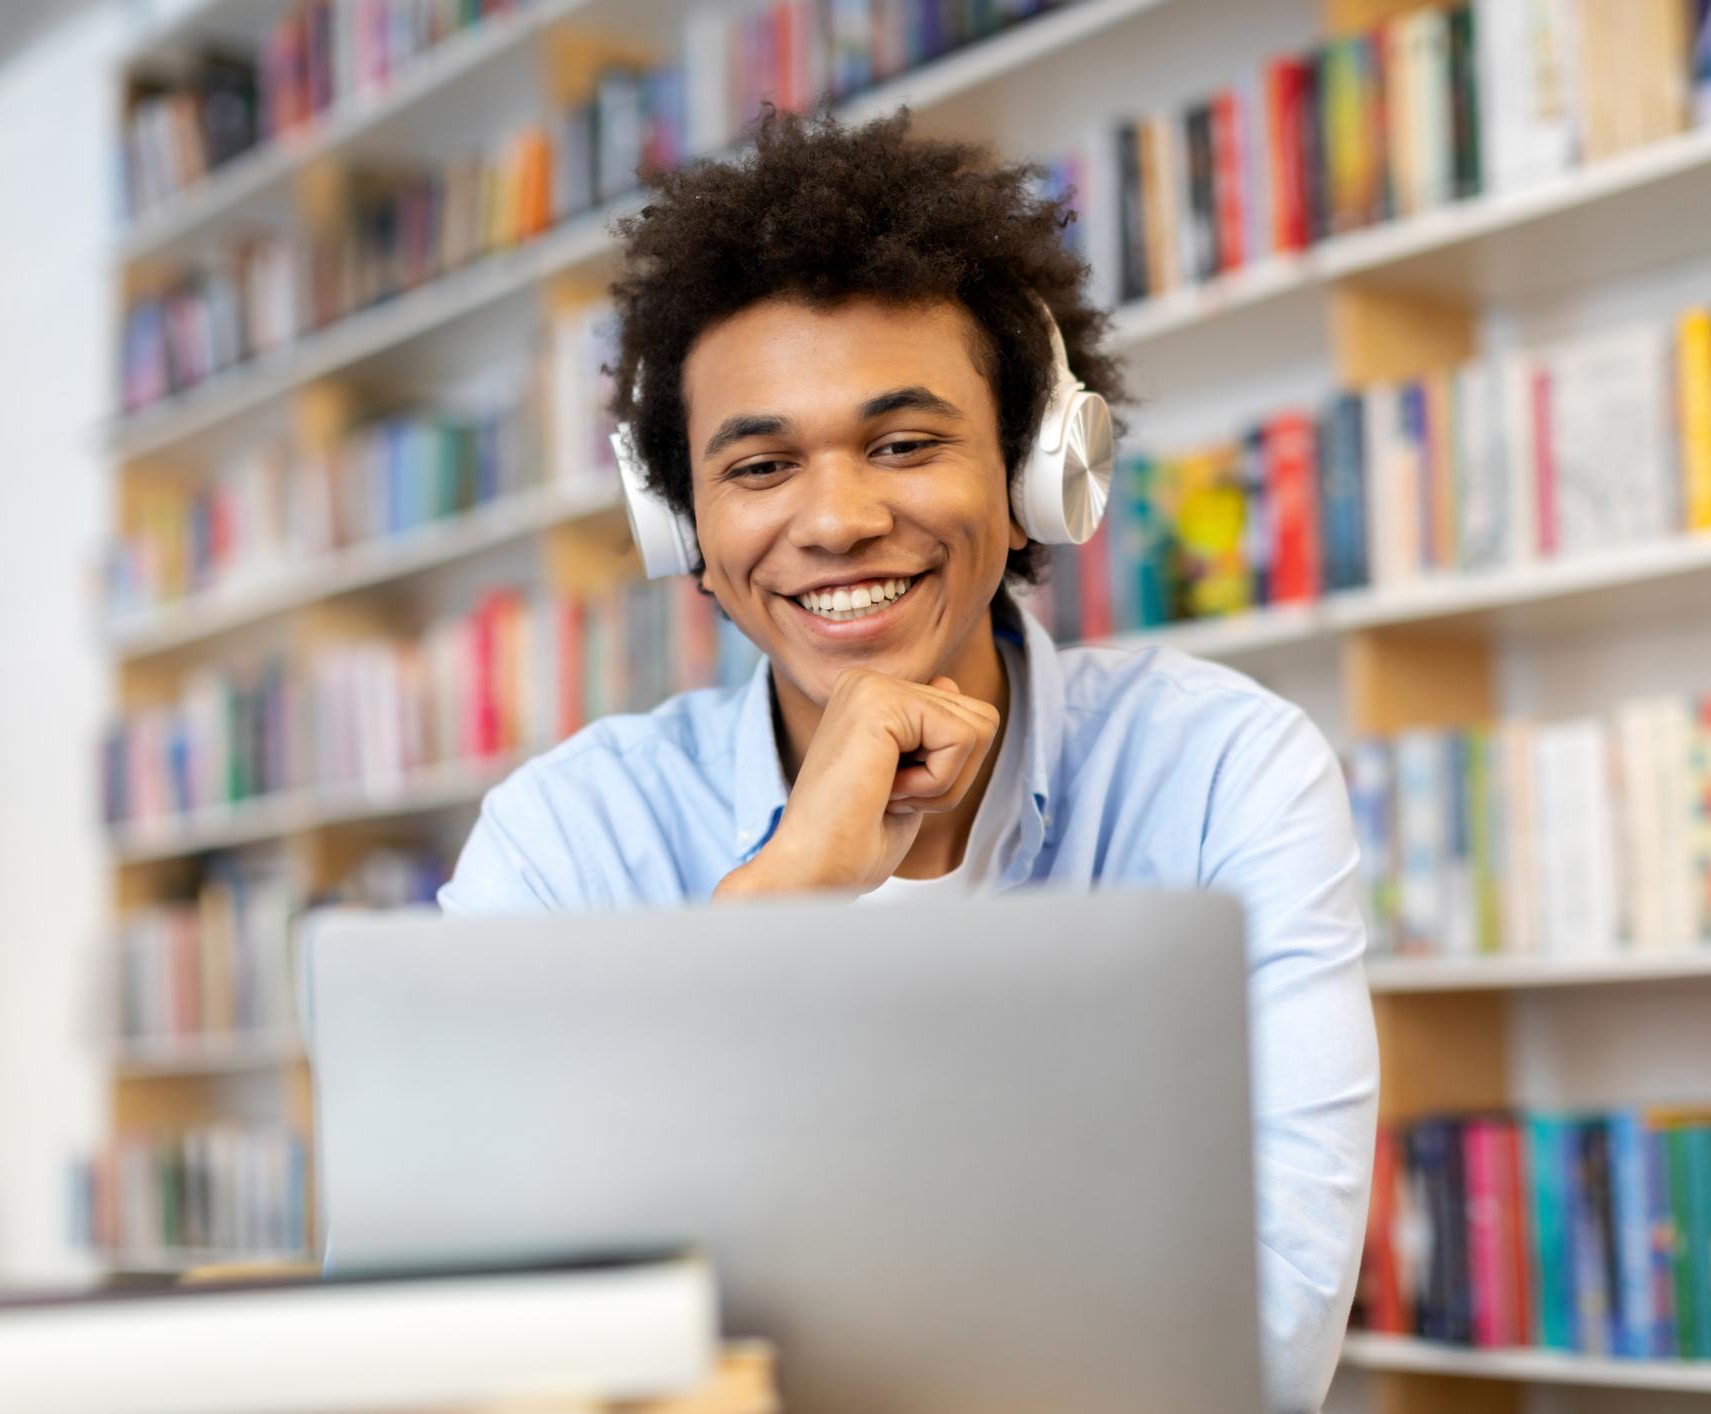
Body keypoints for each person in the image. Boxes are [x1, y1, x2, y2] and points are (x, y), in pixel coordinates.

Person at [439, 108, 1378, 1411]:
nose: (837, 519)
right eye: (760, 464)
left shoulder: (1224, 772)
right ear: (683, 530)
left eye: (902, 442)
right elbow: (488, 1358)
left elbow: (1260, 1347)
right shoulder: (563, 838)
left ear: (1038, 473)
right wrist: (780, 901)